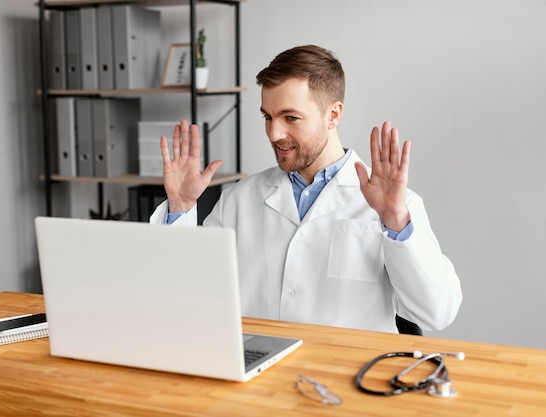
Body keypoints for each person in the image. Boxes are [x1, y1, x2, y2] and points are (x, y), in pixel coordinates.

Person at [150, 45, 462, 333]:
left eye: (291, 117)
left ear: (333, 115)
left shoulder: (395, 206)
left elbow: (437, 312)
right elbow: (184, 293)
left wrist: (395, 221)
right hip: (259, 376)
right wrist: (179, 207)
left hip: (350, 379)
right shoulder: (238, 200)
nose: (274, 133)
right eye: (268, 117)